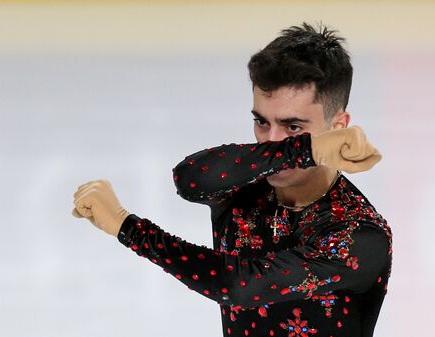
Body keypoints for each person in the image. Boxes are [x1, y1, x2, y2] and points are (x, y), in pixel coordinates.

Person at [73, 22, 393, 337]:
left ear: (339, 127)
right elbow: (190, 179)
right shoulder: (243, 188)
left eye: (293, 128)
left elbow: (240, 286)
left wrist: (127, 227)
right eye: (261, 122)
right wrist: (302, 149)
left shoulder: (360, 233)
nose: (272, 140)